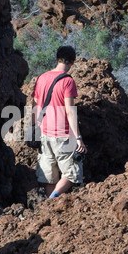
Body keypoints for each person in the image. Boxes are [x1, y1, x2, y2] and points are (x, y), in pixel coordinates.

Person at [32, 46, 87, 198]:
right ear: (72, 62)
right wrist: (78, 138)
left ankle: (50, 207)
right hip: (63, 135)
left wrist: (34, 129)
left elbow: (34, 106)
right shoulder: (68, 81)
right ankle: (53, 198)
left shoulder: (41, 78)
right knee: (72, 174)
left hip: (43, 134)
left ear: (57, 59)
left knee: (50, 177)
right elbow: (70, 111)